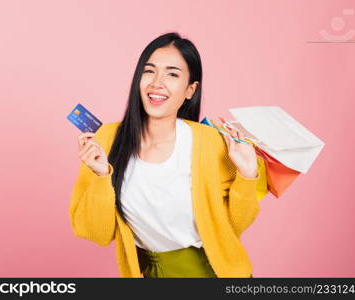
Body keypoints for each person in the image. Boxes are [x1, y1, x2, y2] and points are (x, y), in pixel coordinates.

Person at [69, 32, 267, 278]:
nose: (157, 83)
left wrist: (247, 176)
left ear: (190, 90)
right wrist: (100, 177)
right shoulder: (107, 140)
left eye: (172, 74)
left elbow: (234, 227)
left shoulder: (209, 142)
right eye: (149, 71)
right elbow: (95, 233)